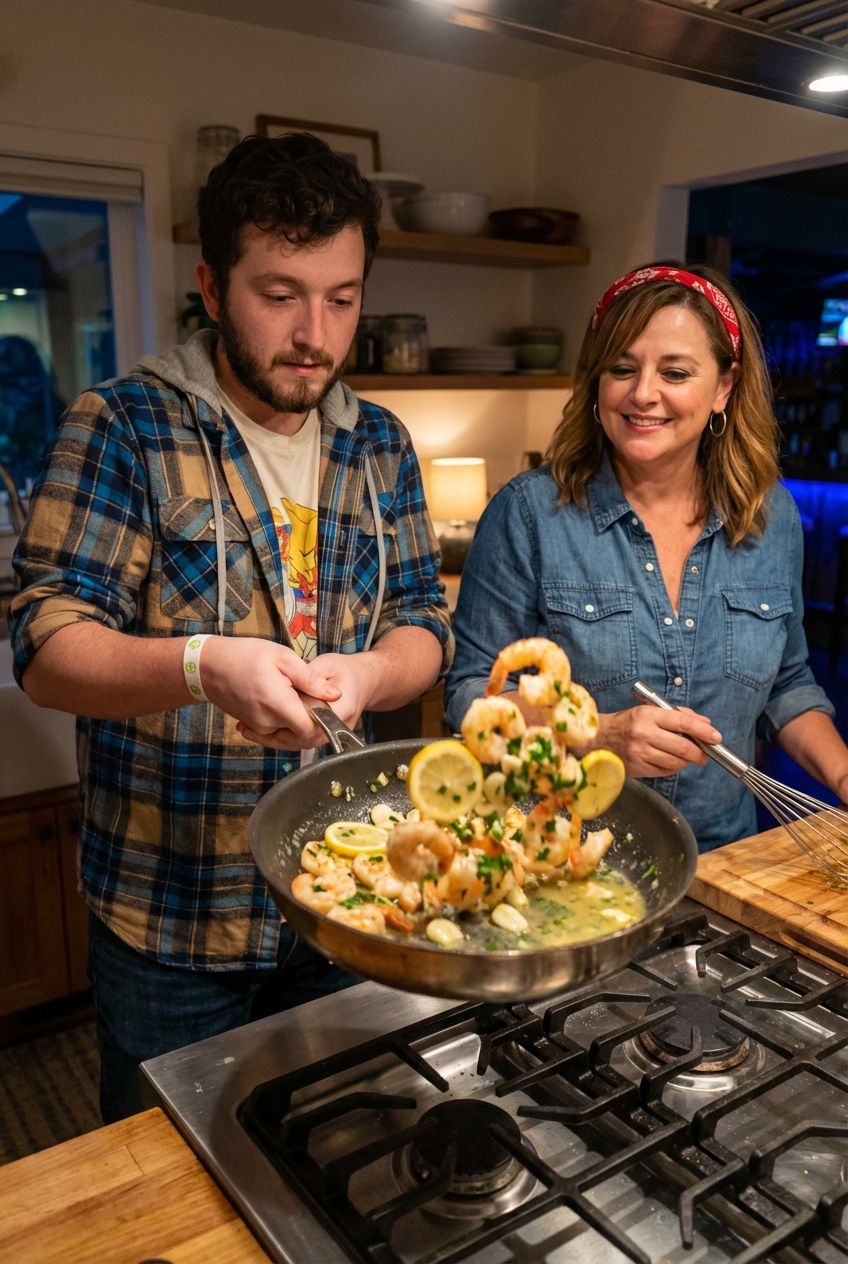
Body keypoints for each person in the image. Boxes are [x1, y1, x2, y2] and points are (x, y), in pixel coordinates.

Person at [9, 134, 452, 1121]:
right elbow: (44, 642)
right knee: (172, 1184)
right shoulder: (123, 425)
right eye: (279, 292)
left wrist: (369, 678)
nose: (314, 332)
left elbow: (424, 618)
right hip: (174, 914)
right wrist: (204, 663)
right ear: (211, 286)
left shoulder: (378, 443)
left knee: (341, 1154)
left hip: (348, 901)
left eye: (341, 298)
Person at [445, 264, 847, 852]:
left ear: (724, 388)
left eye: (676, 372)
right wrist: (594, 736)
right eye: (622, 369)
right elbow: (468, 699)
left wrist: (841, 772)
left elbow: (787, 683)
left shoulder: (771, 516)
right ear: (597, 383)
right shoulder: (529, 513)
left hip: (722, 864)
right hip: (562, 860)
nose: (642, 394)